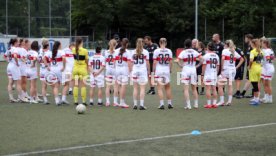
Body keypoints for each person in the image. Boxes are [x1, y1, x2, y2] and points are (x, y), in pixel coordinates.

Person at [217, 40, 244, 106]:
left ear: (226, 45)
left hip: (226, 69)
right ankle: (229, 101)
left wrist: (222, 69)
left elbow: (222, 59)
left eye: (224, 44)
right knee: (230, 85)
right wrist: (236, 67)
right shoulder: (233, 51)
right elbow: (242, 59)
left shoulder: (225, 50)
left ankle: (222, 101)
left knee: (220, 85)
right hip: (232, 70)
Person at [176, 39, 201, 109]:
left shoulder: (183, 52)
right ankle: (196, 104)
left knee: (186, 89)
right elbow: (202, 59)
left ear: (185, 45)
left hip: (186, 69)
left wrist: (180, 65)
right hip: (193, 69)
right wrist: (198, 65)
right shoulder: (195, 51)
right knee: (194, 88)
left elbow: (177, 60)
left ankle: (188, 105)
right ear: (191, 45)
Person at [5, 38, 28, 103]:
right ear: (15, 42)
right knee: (18, 83)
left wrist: (9, 61)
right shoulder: (15, 49)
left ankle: (11, 98)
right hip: (14, 66)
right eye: (17, 42)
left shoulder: (9, 49)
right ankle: (22, 98)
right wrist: (17, 63)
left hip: (9, 66)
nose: (19, 43)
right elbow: (15, 56)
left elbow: (5, 56)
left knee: (10, 83)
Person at [153, 38, 173, 110]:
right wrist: (170, 69)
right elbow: (171, 62)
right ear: (166, 43)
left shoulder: (156, 51)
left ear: (159, 43)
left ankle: (161, 104)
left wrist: (153, 71)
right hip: (166, 70)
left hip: (159, 70)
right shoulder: (169, 51)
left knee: (159, 88)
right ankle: (169, 103)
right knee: (167, 87)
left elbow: (155, 62)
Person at [44, 41, 66, 105]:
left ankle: (57, 100)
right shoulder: (61, 52)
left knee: (56, 86)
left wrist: (47, 66)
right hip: (60, 70)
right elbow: (64, 59)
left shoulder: (50, 52)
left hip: (52, 70)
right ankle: (63, 99)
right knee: (66, 84)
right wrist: (64, 66)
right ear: (59, 45)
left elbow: (44, 58)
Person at [130, 38, 150, 110]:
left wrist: (131, 71)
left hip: (135, 71)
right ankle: (141, 105)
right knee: (142, 88)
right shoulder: (146, 52)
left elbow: (131, 63)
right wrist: (149, 71)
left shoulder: (132, 52)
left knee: (135, 88)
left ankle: (135, 104)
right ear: (143, 44)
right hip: (142, 71)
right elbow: (147, 63)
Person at [114, 38, 131, 108]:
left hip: (117, 69)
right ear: (127, 44)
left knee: (116, 86)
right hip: (124, 69)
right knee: (123, 86)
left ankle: (116, 102)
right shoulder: (127, 52)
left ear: (121, 43)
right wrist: (130, 72)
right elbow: (129, 63)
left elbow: (114, 61)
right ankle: (122, 102)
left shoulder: (116, 50)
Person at [202, 42, 220, 109]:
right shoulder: (216, 56)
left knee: (208, 89)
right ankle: (214, 104)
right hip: (214, 73)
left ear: (208, 47)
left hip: (208, 74)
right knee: (214, 88)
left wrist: (202, 74)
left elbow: (204, 66)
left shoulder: (206, 56)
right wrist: (216, 74)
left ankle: (209, 104)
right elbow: (218, 66)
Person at [72, 38, 89, 105]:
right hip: (82, 69)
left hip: (75, 69)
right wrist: (87, 67)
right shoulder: (85, 50)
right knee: (83, 85)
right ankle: (84, 101)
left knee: (76, 85)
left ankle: (75, 101)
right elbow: (86, 60)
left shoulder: (73, 49)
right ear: (81, 42)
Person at [248, 39, 264, 105]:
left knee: (254, 85)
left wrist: (249, 66)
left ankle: (256, 100)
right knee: (257, 84)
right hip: (260, 68)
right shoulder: (261, 51)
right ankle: (255, 98)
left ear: (253, 44)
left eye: (251, 44)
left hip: (254, 69)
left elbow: (251, 61)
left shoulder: (252, 51)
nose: (250, 45)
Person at [239, 34, 254, 98]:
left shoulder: (252, 46)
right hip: (249, 65)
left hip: (252, 66)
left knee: (249, 79)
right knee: (251, 79)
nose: (245, 40)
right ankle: (253, 93)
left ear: (248, 38)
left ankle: (242, 93)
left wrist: (250, 65)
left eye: (245, 38)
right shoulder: (248, 46)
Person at [260, 38, 274, 103]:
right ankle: (267, 97)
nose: (261, 44)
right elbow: (272, 58)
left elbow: (269, 59)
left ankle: (270, 99)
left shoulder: (266, 51)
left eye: (262, 43)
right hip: (267, 67)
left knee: (268, 84)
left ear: (265, 44)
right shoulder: (269, 50)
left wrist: (262, 61)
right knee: (265, 84)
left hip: (269, 68)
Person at [105, 39, 118, 107]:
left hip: (108, 69)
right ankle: (115, 102)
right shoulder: (117, 52)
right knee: (115, 86)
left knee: (108, 86)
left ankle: (107, 102)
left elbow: (105, 61)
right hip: (114, 70)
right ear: (115, 44)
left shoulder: (106, 52)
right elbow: (116, 62)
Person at [38, 39, 51, 104]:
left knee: (44, 85)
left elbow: (39, 59)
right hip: (46, 70)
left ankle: (45, 99)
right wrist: (47, 66)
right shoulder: (48, 52)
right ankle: (57, 97)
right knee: (53, 84)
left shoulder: (40, 51)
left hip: (41, 69)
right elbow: (45, 59)